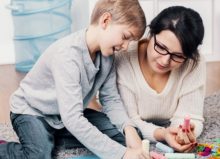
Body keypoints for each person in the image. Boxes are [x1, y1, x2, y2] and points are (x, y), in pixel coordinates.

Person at [0, 0, 149, 159]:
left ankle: (53, 138)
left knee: (120, 133)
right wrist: (123, 154)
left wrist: (128, 129)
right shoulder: (68, 56)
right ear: (105, 21)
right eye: (125, 37)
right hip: (32, 112)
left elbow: (110, 99)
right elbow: (73, 119)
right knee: (39, 154)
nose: (126, 47)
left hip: (64, 117)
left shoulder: (108, 58)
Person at [90, 6, 205, 152]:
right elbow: (127, 120)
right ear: (151, 33)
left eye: (177, 56)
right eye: (161, 47)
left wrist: (182, 133)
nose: (164, 61)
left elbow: (192, 116)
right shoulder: (123, 55)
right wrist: (162, 134)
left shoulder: (194, 63)